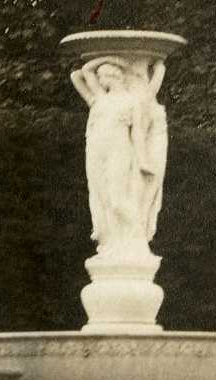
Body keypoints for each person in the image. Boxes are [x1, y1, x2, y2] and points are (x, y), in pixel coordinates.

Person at [70, 56, 168, 255]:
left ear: (111, 76)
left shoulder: (133, 102)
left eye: (101, 76)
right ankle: (111, 244)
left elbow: (138, 134)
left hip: (119, 151)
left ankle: (138, 241)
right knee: (102, 198)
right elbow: (79, 74)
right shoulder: (98, 97)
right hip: (96, 151)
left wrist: (143, 161)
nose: (97, 79)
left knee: (117, 200)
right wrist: (110, 58)